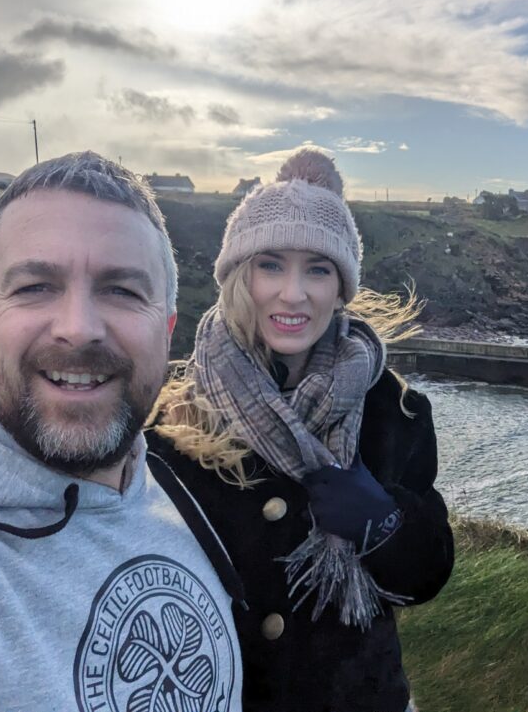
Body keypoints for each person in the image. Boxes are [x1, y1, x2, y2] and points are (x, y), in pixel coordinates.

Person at [147, 149, 454, 712]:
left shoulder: (394, 408)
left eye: (318, 268)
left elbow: (426, 577)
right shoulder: (172, 420)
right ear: (238, 275)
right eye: (270, 265)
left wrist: (384, 523)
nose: (294, 293)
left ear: (341, 287)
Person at [0, 152, 243, 711]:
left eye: (123, 291)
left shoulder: (179, 494)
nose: (78, 328)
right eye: (34, 285)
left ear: (168, 331)